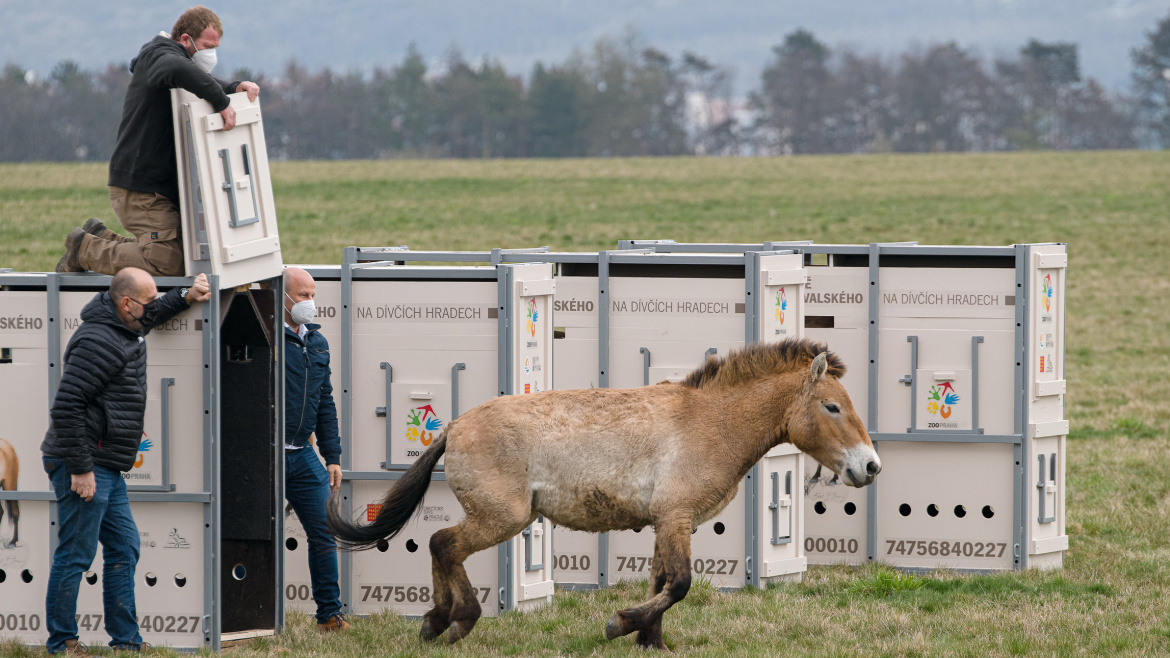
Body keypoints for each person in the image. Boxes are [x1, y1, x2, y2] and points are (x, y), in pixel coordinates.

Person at [40, 269, 212, 655]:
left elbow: (153, 313)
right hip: (83, 461)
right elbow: (66, 407)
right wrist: (82, 469)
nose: (152, 309)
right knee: (76, 554)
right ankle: (63, 642)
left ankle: (126, 643)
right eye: (147, 302)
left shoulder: (125, 324)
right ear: (126, 303)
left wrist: (185, 295)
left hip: (105, 462)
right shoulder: (98, 340)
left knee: (125, 547)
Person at [55, 6, 261, 276]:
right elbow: (180, 68)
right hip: (141, 191)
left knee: (179, 253)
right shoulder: (161, 57)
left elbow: (196, 77)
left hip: (147, 187)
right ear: (185, 39)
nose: (212, 53)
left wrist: (232, 88)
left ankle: (100, 236)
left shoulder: (165, 60)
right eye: (207, 46)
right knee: (167, 262)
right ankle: (84, 249)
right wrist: (222, 102)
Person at [282, 267, 351, 632]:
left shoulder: (317, 341)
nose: (309, 302)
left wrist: (333, 456)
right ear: (283, 296)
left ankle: (330, 615)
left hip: (303, 455)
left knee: (325, 531)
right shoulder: (266, 341)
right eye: (303, 295)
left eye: (313, 295)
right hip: (266, 455)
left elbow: (325, 401)